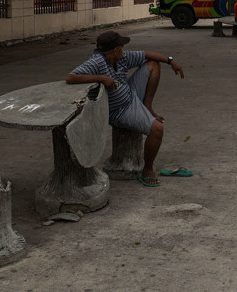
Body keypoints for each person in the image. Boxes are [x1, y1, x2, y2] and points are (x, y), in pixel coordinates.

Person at [66, 30, 184, 188]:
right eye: (121, 46)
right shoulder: (96, 62)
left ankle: (147, 106)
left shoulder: (121, 57)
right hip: (119, 110)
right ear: (115, 50)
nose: (124, 49)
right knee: (157, 130)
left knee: (152, 64)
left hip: (130, 93)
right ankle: (147, 170)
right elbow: (71, 77)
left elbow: (146, 54)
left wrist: (171, 61)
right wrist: (102, 78)